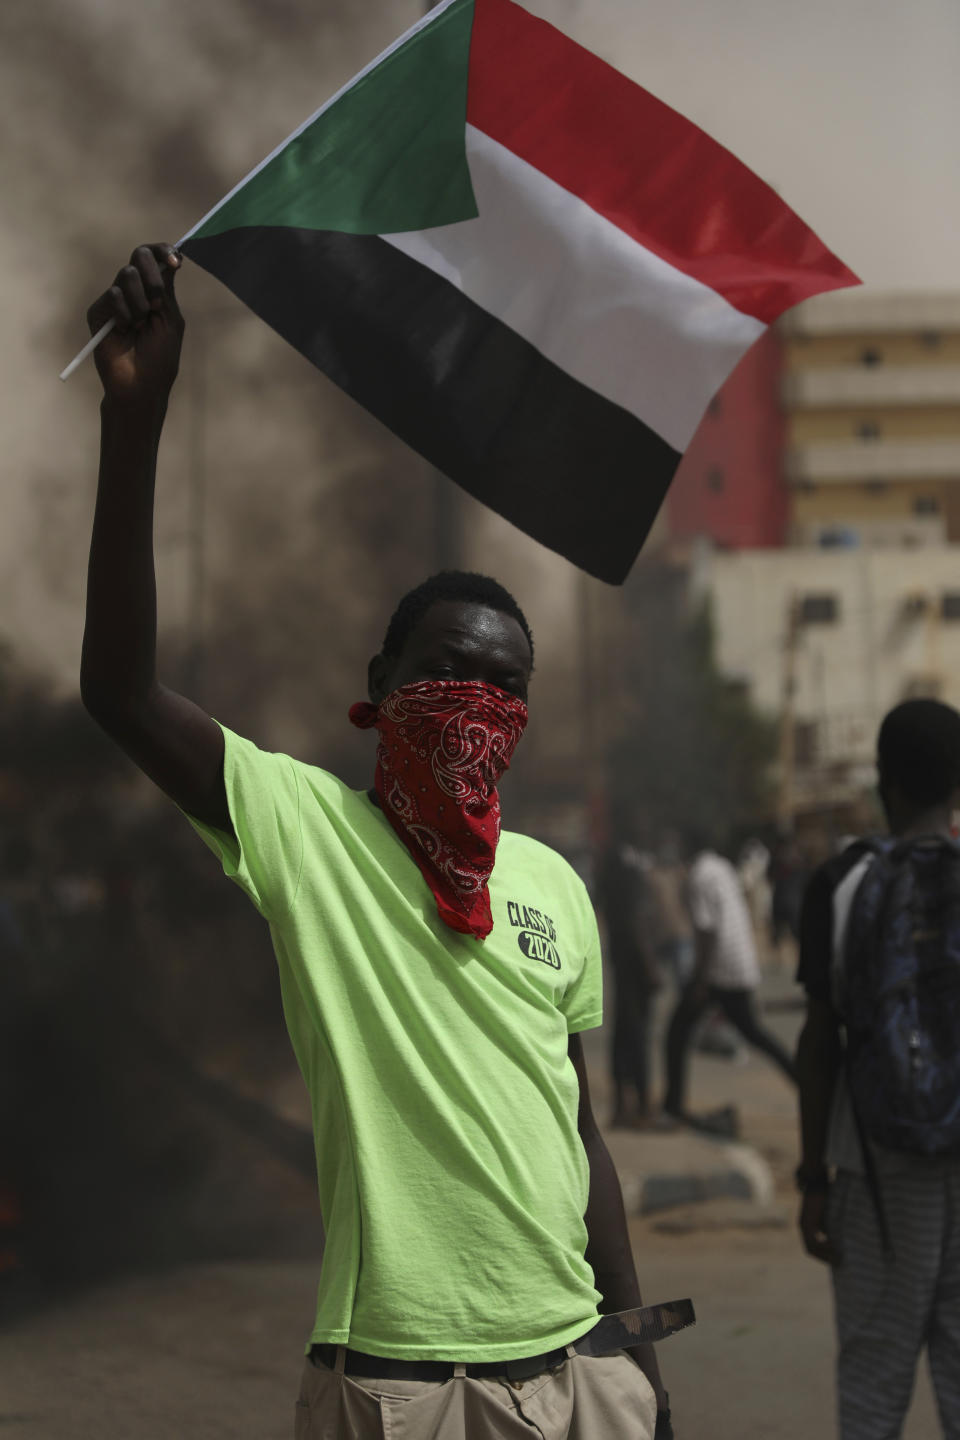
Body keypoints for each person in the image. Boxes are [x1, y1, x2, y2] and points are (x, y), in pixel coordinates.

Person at [79, 243, 682, 1439]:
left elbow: (576, 1128)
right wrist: (136, 424)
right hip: (396, 1385)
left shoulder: (553, 884)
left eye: (501, 686)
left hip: (576, 1375)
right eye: (445, 671)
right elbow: (122, 690)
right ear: (380, 683)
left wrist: (636, 1357)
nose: (473, 703)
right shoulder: (306, 830)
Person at [796, 699, 960, 1440]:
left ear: (882, 781)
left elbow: (820, 1040)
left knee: (873, 1378)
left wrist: (812, 1181)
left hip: (871, 1162)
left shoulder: (840, 884)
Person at [663, 828, 797, 1125]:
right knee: (750, 1032)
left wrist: (700, 980)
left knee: (678, 1031)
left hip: (721, 971)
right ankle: (800, 1079)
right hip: (738, 964)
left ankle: (672, 1106)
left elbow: (707, 931)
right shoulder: (721, 866)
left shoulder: (698, 875)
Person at [596, 834, 661, 1128]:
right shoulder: (630, 872)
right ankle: (644, 1108)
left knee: (623, 1036)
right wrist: (650, 968)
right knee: (638, 1038)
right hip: (635, 967)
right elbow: (636, 924)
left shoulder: (610, 871)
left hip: (621, 964)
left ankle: (623, 1106)